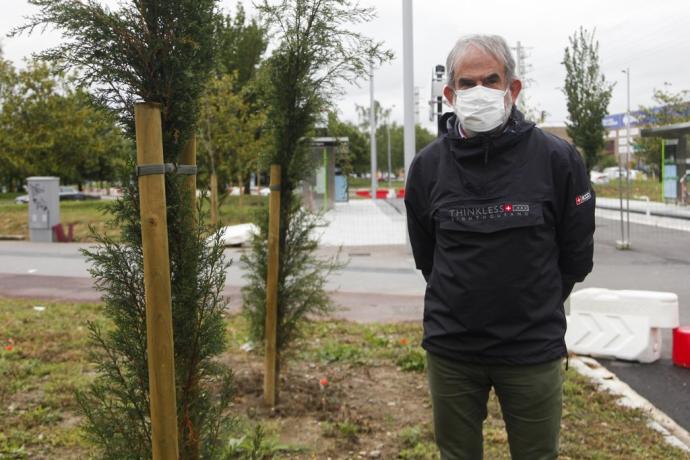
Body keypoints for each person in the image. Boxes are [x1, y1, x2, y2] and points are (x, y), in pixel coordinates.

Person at [404, 34, 595, 460]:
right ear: (450, 94)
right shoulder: (428, 167)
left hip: (531, 350)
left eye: (491, 80)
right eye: (467, 84)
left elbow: (576, 254)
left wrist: (533, 302)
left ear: (513, 88)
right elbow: (428, 256)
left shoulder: (557, 159)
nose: (480, 92)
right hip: (452, 350)